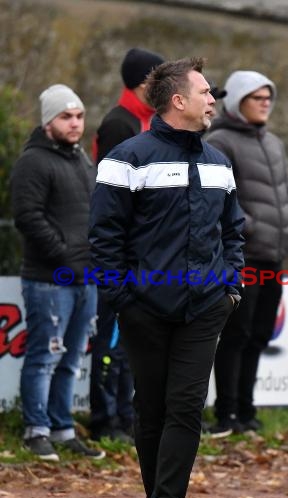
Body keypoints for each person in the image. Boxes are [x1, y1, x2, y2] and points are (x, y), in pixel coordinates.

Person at [89, 57, 245, 498]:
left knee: (186, 406)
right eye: (205, 94)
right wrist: (124, 301)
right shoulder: (126, 158)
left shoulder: (220, 163)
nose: (213, 100)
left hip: (204, 309)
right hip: (144, 309)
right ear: (179, 101)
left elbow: (234, 232)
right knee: (150, 407)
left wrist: (230, 288)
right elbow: (103, 237)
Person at [11, 84, 105, 461]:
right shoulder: (33, 162)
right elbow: (27, 217)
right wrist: (64, 255)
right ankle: (36, 430)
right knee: (44, 358)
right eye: (66, 117)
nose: (75, 123)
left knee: (69, 360)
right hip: (49, 280)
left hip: (86, 280)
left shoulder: (83, 161)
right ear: (48, 121)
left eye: (79, 116)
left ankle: (62, 428)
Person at [205, 70, 288, 436]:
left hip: (274, 255)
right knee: (236, 334)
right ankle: (225, 413)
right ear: (238, 101)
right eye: (257, 98)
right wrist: (253, 227)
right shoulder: (221, 141)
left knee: (260, 334)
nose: (265, 104)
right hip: (242, 258)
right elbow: (219, 200)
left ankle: (247, 410)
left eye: (268, 98)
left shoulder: (273, 143)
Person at [89, 47, 164, 442]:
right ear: (143, 81)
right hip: (120, 255)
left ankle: (122, 418)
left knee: (127, 344)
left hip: (140, 254)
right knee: (111, 342)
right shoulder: (120, 123)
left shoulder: (143, 121)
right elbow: (111, 196)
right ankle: (104, 421)